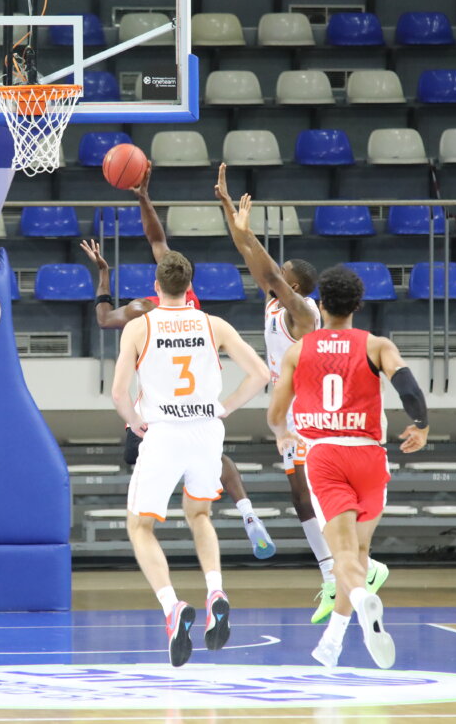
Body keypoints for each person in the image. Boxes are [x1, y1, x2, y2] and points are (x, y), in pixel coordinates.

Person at [214, 167, 389, 621]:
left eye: (284, 275)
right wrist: (235, 225)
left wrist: (250, 236)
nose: (275, 274)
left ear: (295, 286)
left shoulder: (303, 313)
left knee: (315, 494)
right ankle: (333, 574)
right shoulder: (275, 301)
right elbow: (260, 265)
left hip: (309, 411)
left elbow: (269, 269)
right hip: (288, 410)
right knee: (298, 496)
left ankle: (352, 572)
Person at [78, 163, 277, 561]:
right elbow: (157, 237)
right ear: (187, 283)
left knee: (140, 465)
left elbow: (102, 320)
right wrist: (144, 198)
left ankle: (153, 524)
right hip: (200, 413)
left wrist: (102, 275)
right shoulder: (202, 313)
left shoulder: (140, 312)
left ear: (156, 284)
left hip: (158, 418)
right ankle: (246, 512)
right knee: (214, 460)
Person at [112, 250, 270, 667]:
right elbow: (261, 374)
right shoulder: (212, 324)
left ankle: (171, 608)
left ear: (156, 287)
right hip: (205, 431)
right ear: (190, 287)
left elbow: (118, 393)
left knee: (140, 526)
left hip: (164, 431)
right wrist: (225, 407)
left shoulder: (139, 327)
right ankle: (215, 589)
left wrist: (134, 422)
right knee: (199, 515)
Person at [268, 265, 428, 670]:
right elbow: (408, 388)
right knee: (357, 553)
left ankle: (360, 600)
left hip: (325, 456)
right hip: (371, 456)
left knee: (342, 557)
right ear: (358, 305)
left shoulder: (299, 350)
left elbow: (276, 413)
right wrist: (422, 425)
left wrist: (281, 434)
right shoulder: (377, 345)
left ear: (320, 306)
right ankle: (332, 643)